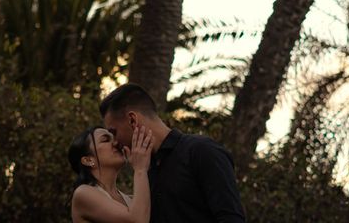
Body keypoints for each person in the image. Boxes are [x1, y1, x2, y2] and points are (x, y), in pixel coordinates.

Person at [100, 83, 246, 222]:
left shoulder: (201, 151)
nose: (115, 142)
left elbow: (231, 217)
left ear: (132, 120)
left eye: (114, 132)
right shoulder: (145, 171)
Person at [68, 124, 154, 222]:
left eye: (114, 138)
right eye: (105, 140)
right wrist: (140, 169)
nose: (116, 143)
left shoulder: (131, 201)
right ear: (88, 160)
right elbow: (137, 220)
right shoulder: (83, 194)